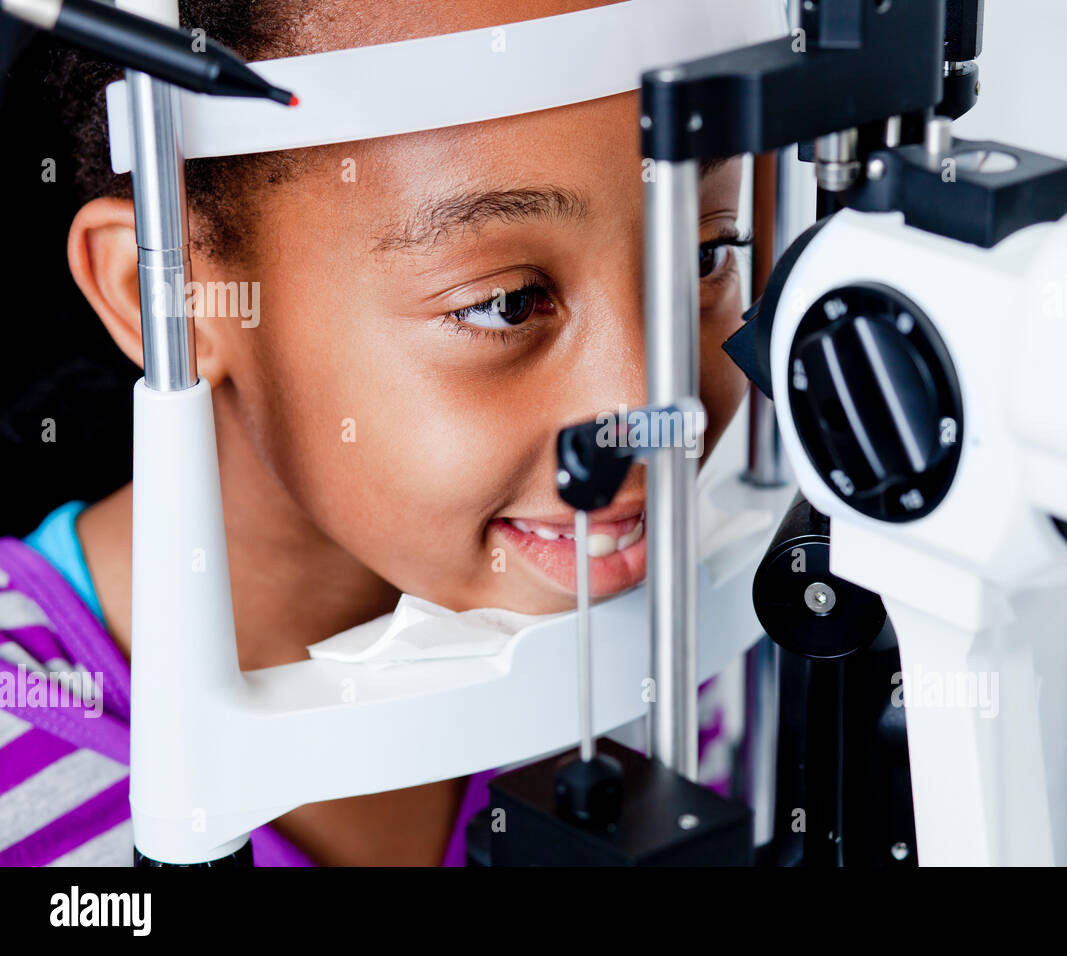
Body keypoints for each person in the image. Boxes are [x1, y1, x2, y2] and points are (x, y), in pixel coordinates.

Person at [0, 0, 754, 866]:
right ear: (172, 295)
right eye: (503, 304)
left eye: (706, 254)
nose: (651, 415)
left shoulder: (718, 646)